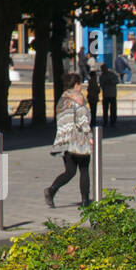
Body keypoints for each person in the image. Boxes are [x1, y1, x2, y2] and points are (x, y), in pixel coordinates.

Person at [44, 73, 92, 208]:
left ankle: (52, 190)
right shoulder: (79, 99)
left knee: (70, 171)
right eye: (80, 84)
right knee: (84, 169)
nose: (81, 86)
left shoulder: (62, 99)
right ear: (76, 85)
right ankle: (85, 201)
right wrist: (89, 136)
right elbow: (83, 119)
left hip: (65, 141)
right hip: (79, 139)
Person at [99, 62, 118, 127]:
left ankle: (113, 122)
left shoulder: (112, 74)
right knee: (105, 109)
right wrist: (105, 83)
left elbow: (117, 81)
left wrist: (111, 81)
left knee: (113, 109)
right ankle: (105, 121)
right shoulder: (102, 76)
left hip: (112, 94)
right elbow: (101, 84)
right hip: (106, 94)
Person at [86, 59, 100, 127]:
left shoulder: (90, 81)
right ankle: (93, 121)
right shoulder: (93, 82)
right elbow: (97, 90)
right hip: (93, 97)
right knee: (93, 110)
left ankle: (92, 121)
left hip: (91, 97)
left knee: (92, 110)